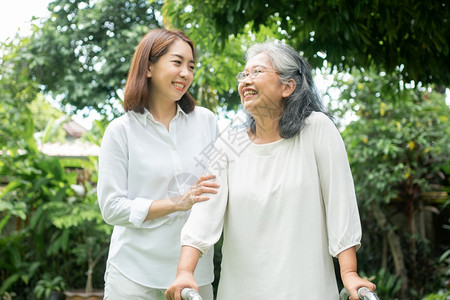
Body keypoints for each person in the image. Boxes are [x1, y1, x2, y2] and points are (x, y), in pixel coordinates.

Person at [165, 41, 376, 300]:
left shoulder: (316, 129)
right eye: (244, 75)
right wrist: (185, 270)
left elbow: (340, 204)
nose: (246, 81)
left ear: (287, 86)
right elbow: (204, 212)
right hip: (241, 290)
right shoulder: (230, 143)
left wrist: (350, 273)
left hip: (306, 289)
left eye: (257, 72)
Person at [97, 28, 219, 300]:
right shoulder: (121, 131)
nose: (186, 73)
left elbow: (220, 189)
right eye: (177, 63)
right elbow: (111, 208)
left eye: (191, 66)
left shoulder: (207, 122)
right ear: (149, 67)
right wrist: (177, 202)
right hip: (133, 275)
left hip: (195, 276)